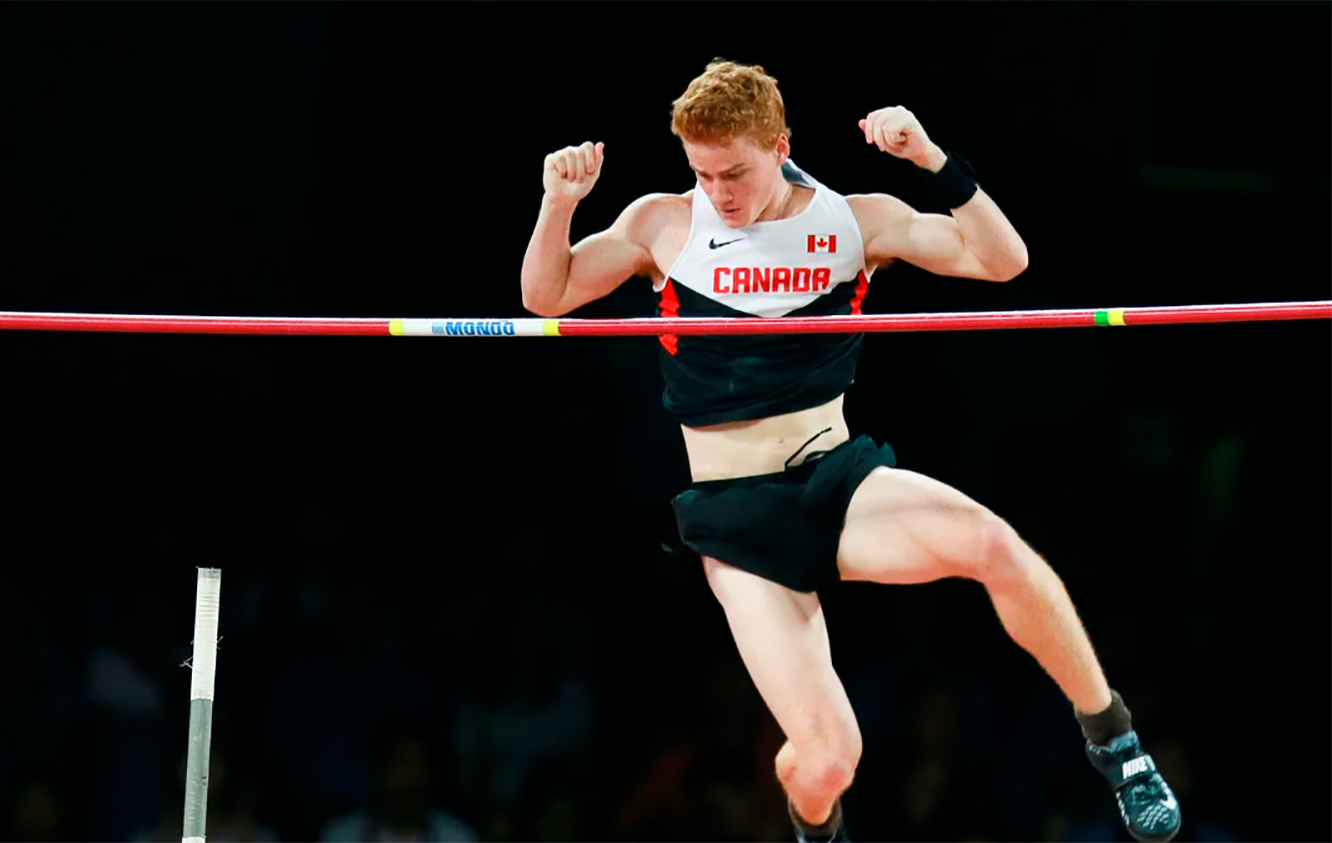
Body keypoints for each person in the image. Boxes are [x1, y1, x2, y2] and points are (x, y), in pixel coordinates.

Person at [519, 59, 1181, 843]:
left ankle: (1117, 744)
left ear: (779, 144)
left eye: (734, 171)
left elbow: (1004, 261)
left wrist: (933, 160)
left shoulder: (849, 220)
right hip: (737, 523)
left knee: (995, 544)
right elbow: (547, 294)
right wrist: (558, 205)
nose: (720, 192)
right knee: (830, 758)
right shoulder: (664, 222)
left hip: (838, 482)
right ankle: (816, 829)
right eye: (703, 172)